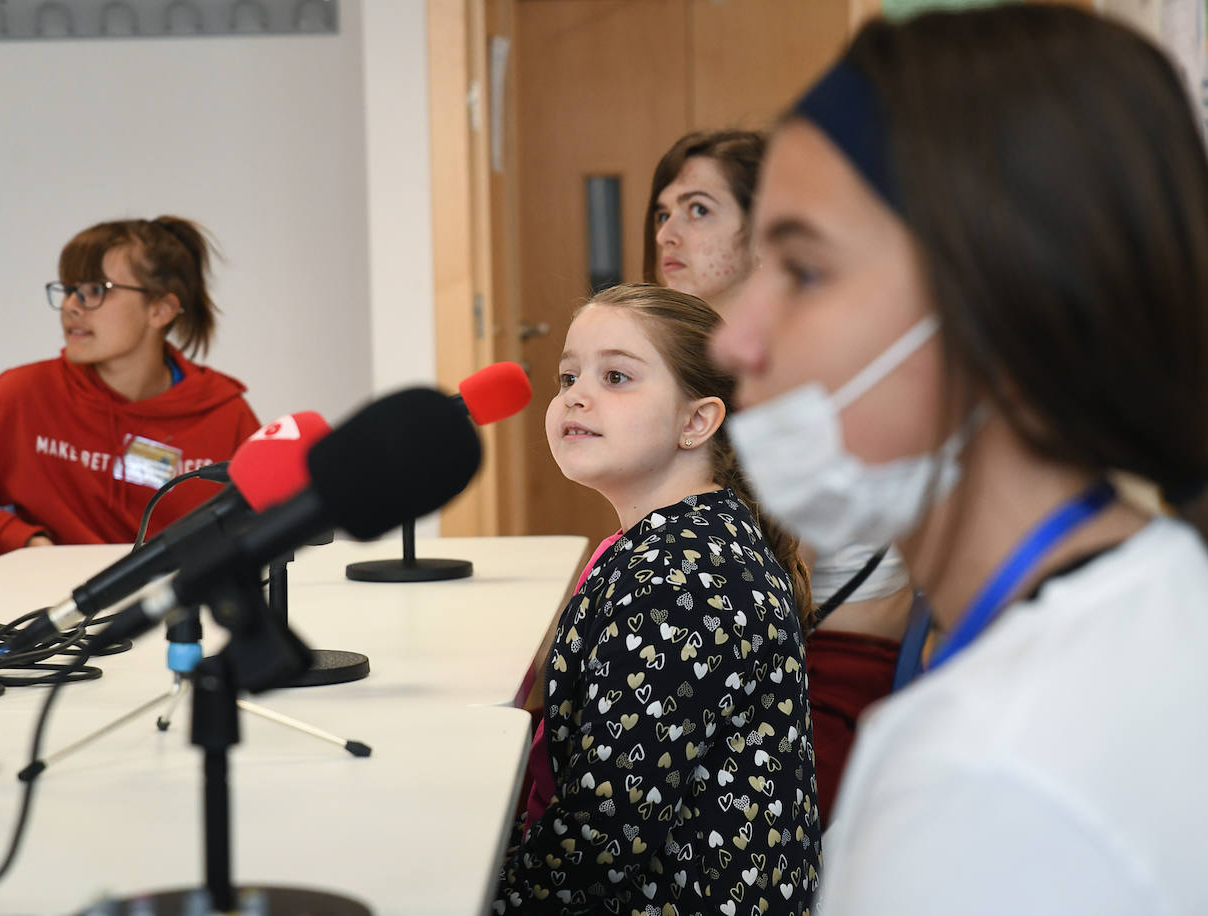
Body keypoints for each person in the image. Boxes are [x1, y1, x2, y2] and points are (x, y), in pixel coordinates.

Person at [711, 6, 1208, 911]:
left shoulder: (988, 780)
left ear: (1007, 313)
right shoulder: (1159, 592)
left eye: (804, 271)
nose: (736, 340)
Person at [495, 283, 820, 915]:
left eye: (616, 376)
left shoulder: (685, 586)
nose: (575, 395)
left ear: (697, 421)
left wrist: (477, 897)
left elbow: (603, 840)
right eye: (568, 376)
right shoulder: (682, 540)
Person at [645, 127, 914, 821]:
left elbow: (771, 595)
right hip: (759, 666)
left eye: (699, 210)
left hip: (821, 678)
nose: (670, 231)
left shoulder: (796, 375)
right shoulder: (723, 369)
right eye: (663, 212)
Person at [0, 216, 261, 559]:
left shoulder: (226, 414)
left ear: (161, 309)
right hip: (53, 603)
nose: (70, 306)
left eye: (95, 290)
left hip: (178, 604)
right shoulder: (22, 396)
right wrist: (23, 541)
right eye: (68, 290)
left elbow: (266, 525)